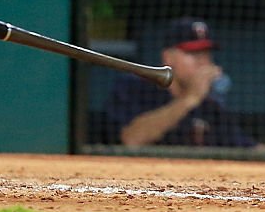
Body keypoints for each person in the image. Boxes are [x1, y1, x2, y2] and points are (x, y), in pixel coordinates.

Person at [106, 17, 254, 147]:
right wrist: (189, 99)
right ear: (168, 58)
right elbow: (131, 139)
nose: (203, 62)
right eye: (194, 54)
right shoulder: (136, 87)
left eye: (206, 54)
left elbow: (246, 148)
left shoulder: (210, 105)